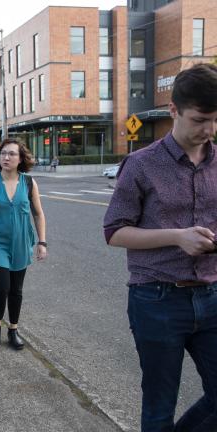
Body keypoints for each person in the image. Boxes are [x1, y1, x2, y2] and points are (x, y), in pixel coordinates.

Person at [103, 62, 217, 432]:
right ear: (174, 111)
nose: (209, 130)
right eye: (200, 119)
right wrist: (177, 236)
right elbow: (115, 231)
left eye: (216, 120)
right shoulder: (140, 164)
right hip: (157, 299)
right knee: (158, 408)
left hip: (213, 295)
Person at [0, 138, 48, 350]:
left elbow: (38, 213)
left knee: (16, 289)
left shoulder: (29, 183)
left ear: (21, 158)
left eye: (12, 154)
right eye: (3, 153)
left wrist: (42, 242)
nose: (6, 157)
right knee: (2, 287)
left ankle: (13, 329)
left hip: (22, 243)